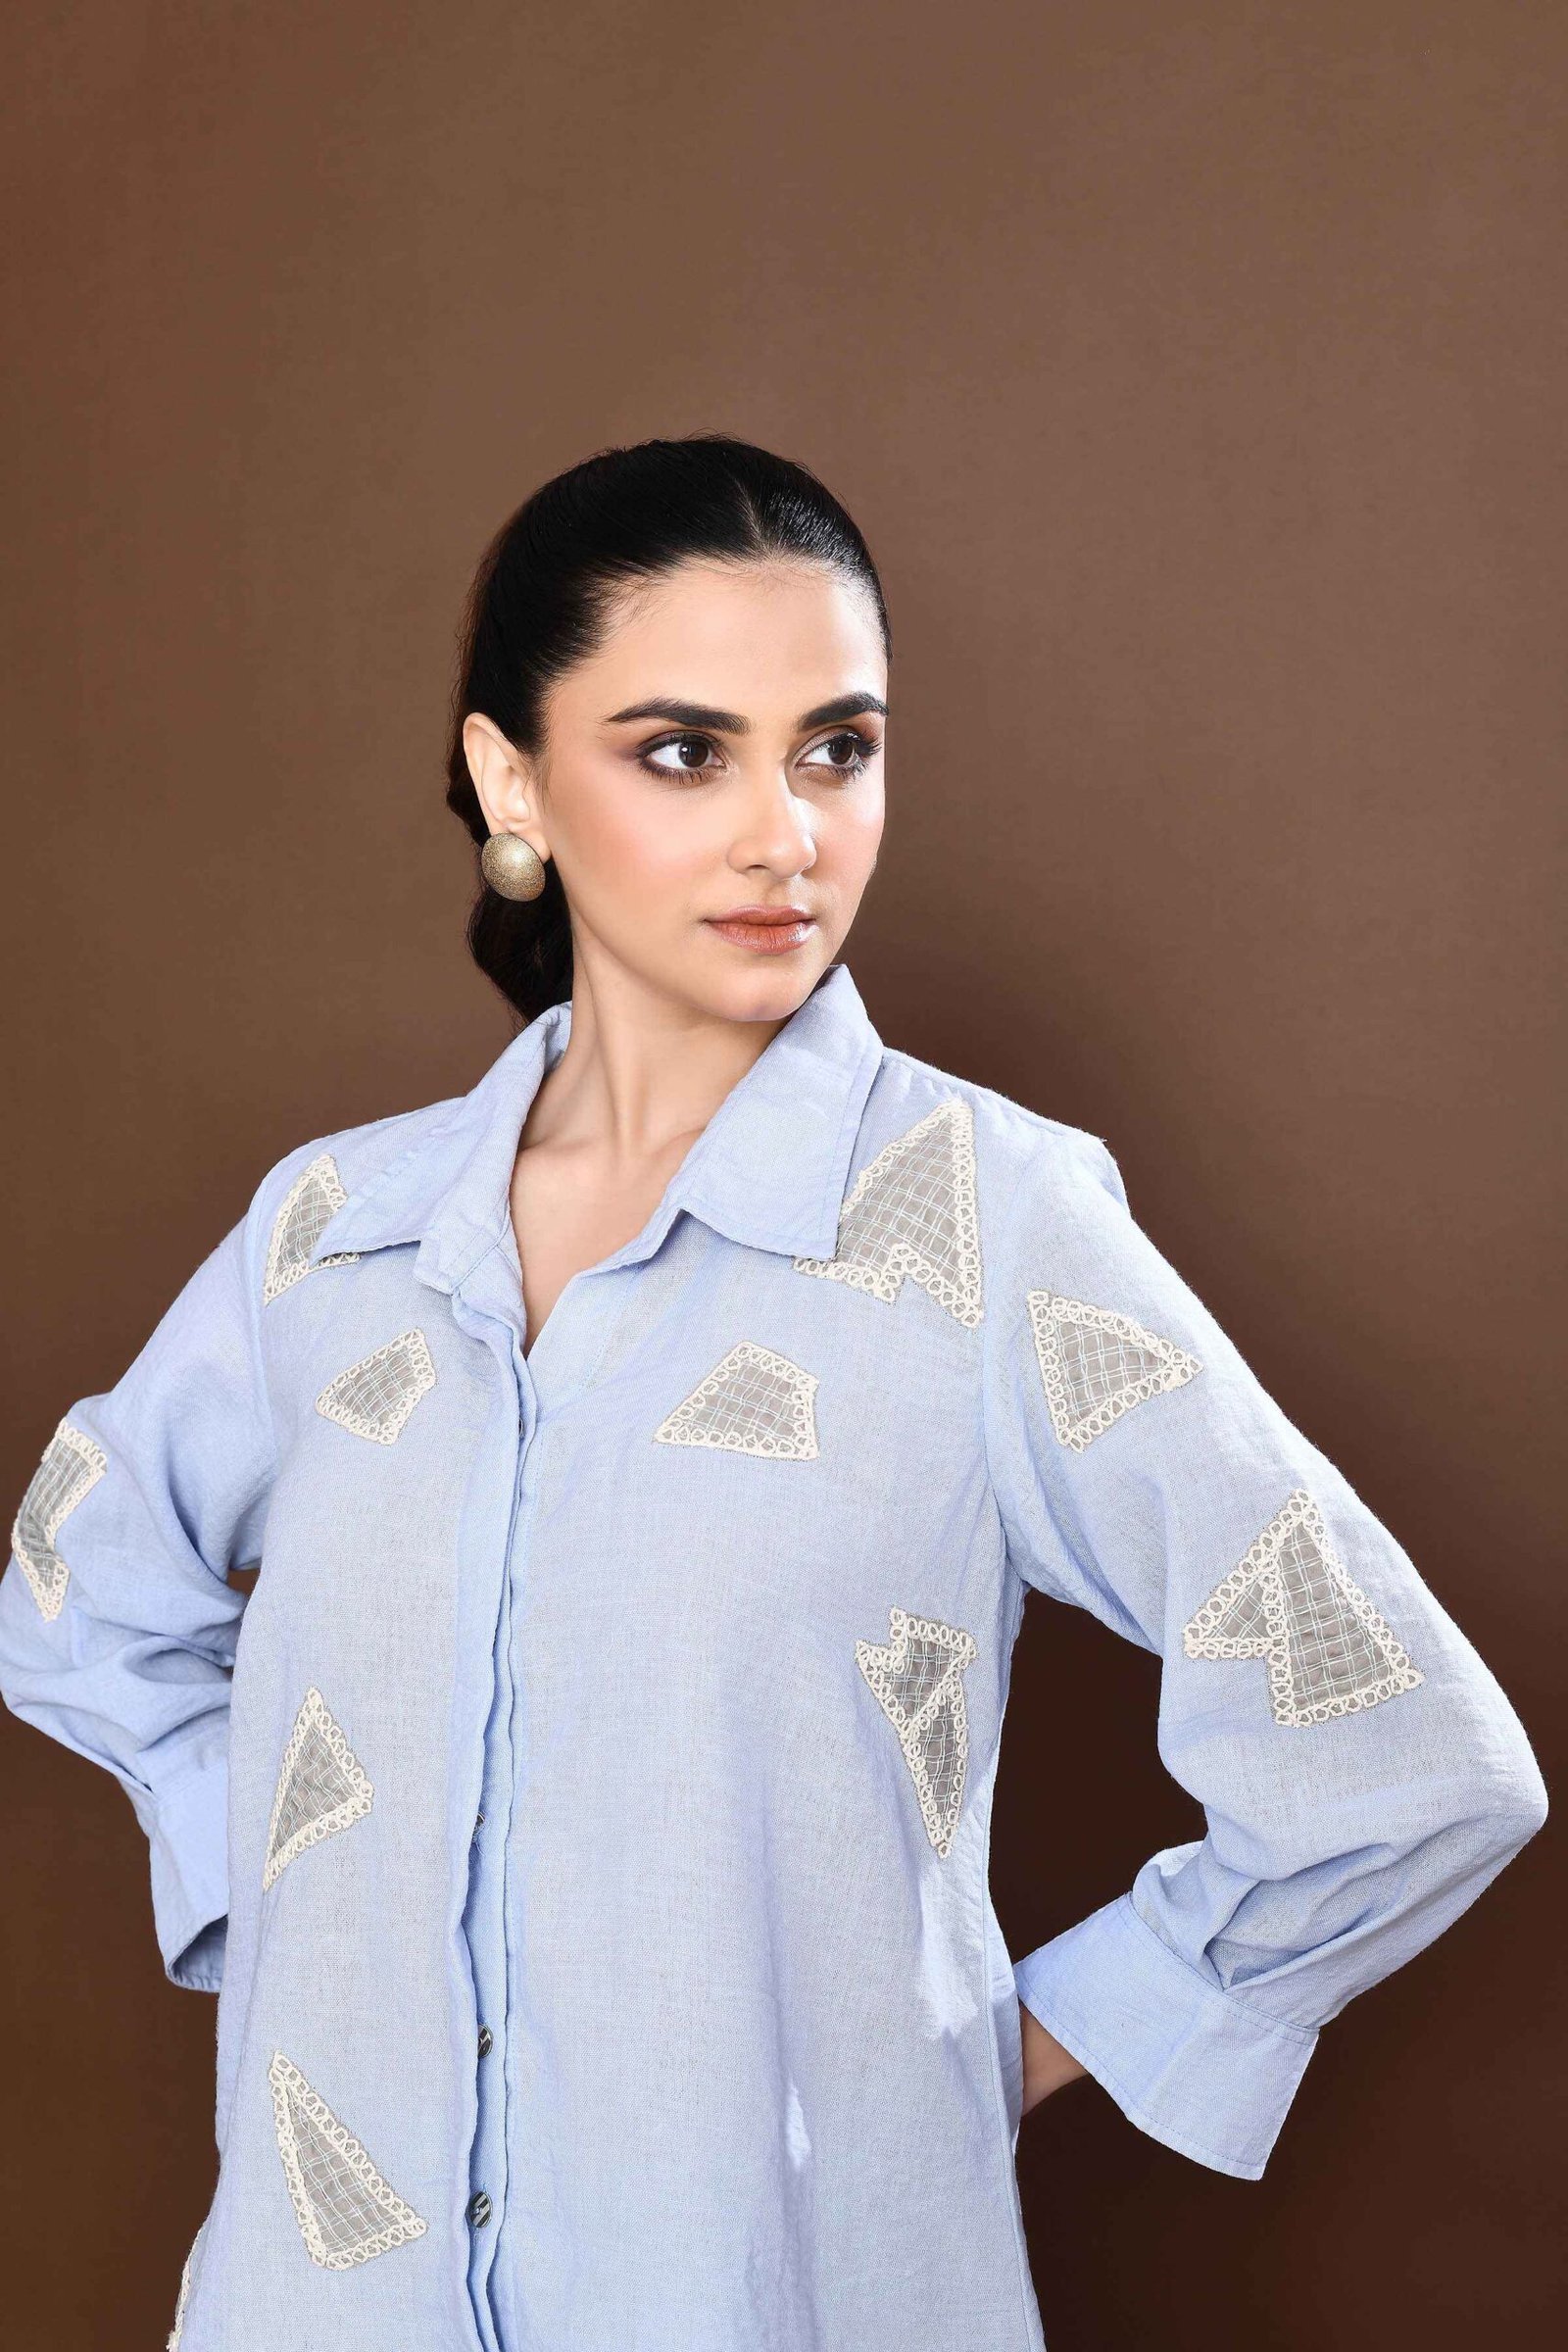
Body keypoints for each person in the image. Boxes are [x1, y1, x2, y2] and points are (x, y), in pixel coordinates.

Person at [0, 434, 1545, 2352]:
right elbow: (79, 1587)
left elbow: (1402, 1759)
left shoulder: (983, 1226)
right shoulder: (336, 1235)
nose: (784, 832)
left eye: (835, 748)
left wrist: (978, 2059)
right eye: (684, 752)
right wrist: (303, 1874)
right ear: (511, 780)